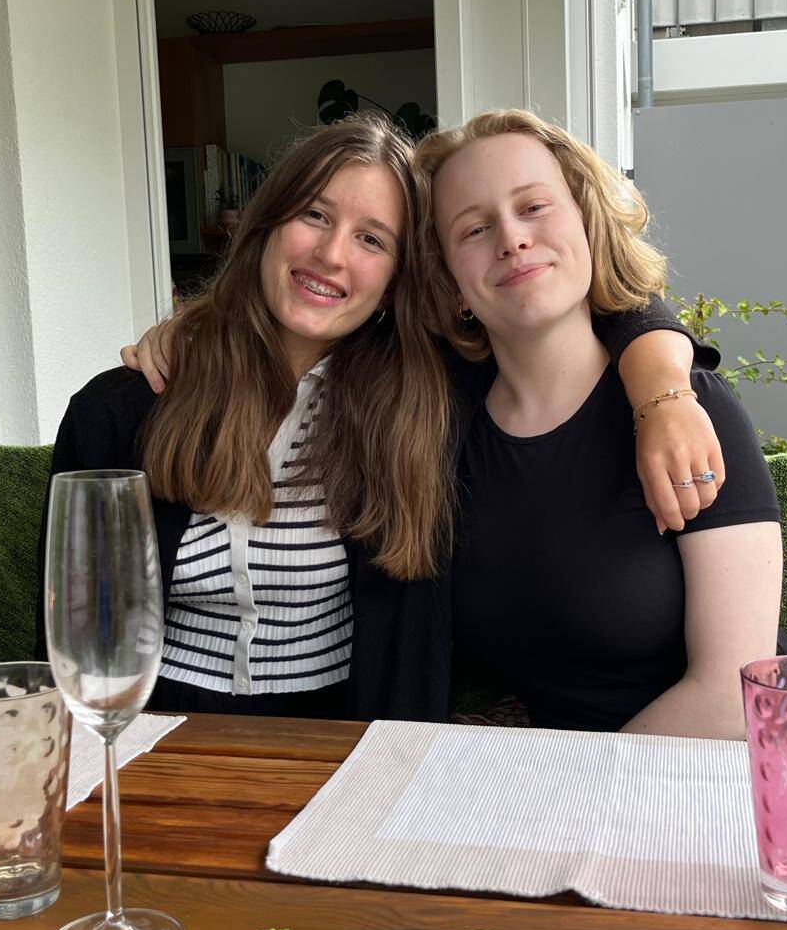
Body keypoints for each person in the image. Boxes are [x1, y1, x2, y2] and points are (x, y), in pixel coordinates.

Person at [52, 113, 718, 722]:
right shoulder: (126, 408)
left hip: (355, 756)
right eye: (313, 215)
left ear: (400, 276)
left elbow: (585, 302)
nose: (332, 255)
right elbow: (79, 651)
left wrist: (665, 391)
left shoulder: (433, 397)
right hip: (155, 742)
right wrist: (195, 322)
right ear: (264, 227)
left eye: (372, 238)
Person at [412, 110, 783, 738]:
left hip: (696, 786)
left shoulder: (687, 408)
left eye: (534, 207)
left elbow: (729, 693)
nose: (511, 239)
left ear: (587, 223)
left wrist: (566, 801)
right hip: (528, 783)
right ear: (449, 279)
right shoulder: (441, 432)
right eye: (474, 229)